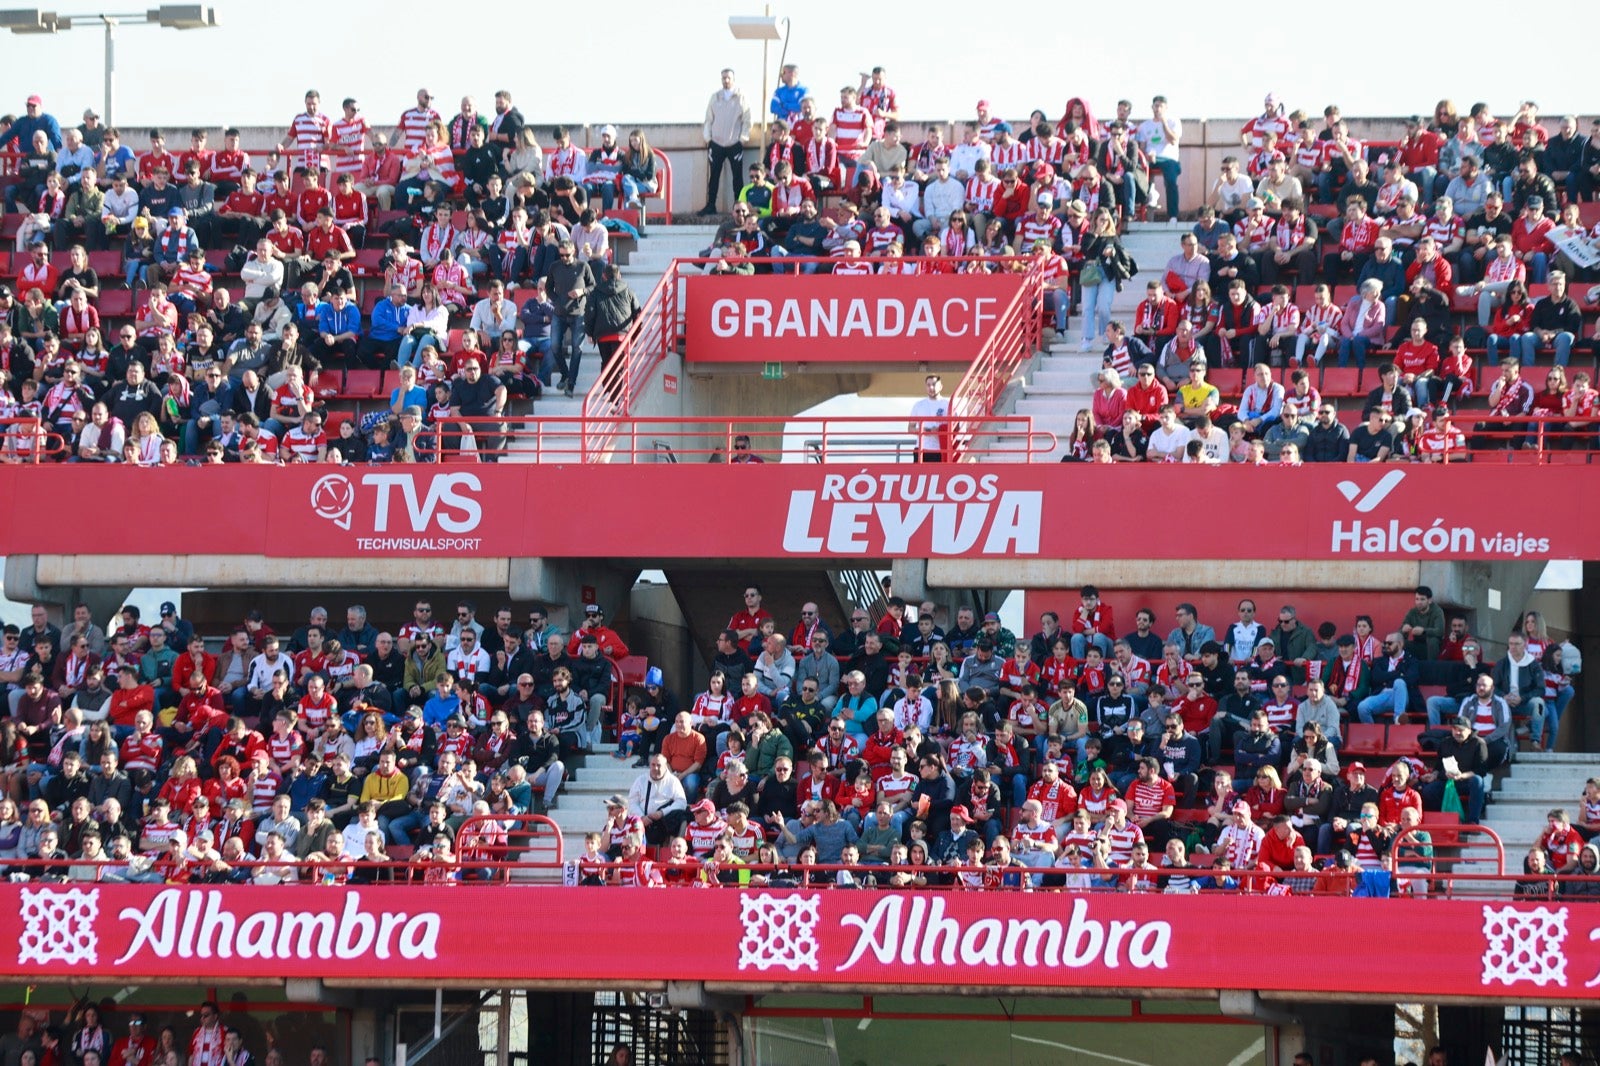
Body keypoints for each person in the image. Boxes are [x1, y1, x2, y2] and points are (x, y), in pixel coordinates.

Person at [702, 70, 751, 216]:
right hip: (716, 143)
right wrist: (708, 139)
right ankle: (711, 205)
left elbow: (747, 120)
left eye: (728, 77)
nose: (726, 80)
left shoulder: (741, 97)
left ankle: (739, 207)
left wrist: (742, 139)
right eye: (724, 78)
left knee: (737, 177)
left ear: (733, 79)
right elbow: (708, 119)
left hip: (734, 143)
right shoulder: (715, 97)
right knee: (714, 176)